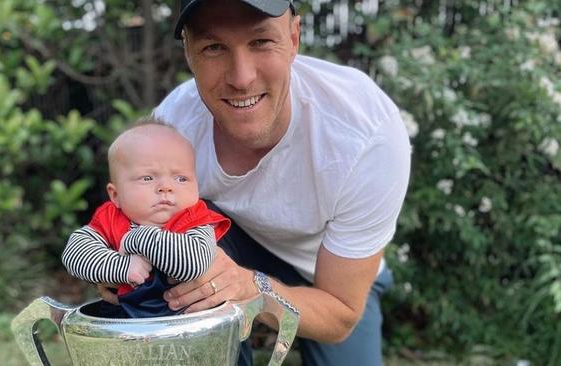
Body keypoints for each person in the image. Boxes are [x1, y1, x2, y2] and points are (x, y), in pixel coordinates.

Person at [83, 0, 410, 364]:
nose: (241, 78)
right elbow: (120, 233)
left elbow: (341, 314)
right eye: (214, 47)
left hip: (328, 276)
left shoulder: (364, 132)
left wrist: (253, 288)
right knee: (178, 259)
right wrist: (117, 268)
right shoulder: (173, 131)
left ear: (294, 38)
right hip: (224, 250)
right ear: (189, 53)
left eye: (261, 42)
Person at [62, 119, 230, 318]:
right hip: (123, 324)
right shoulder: (111, 218)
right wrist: (121, 267)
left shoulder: (195, 220)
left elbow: (193, 264)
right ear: (116, 195)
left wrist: (139, 238)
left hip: (184, 324)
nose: (166, 187)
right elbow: (74, 254)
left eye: (181, 178)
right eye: (148, 178)